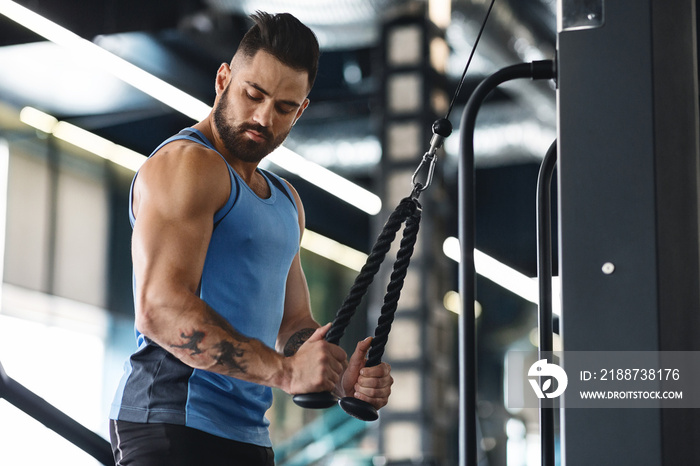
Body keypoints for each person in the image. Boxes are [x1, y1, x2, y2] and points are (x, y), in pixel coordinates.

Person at [109, 11, 393, 466]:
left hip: (248, 434)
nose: (263, 116)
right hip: (172, 423)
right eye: (253, 94)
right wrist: (285, 372)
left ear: (300, 111)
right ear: (223, 79)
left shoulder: (286, 201)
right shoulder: (188, 165)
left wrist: (334, 374)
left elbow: (293, 324)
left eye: (283, 107)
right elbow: (160, 310)